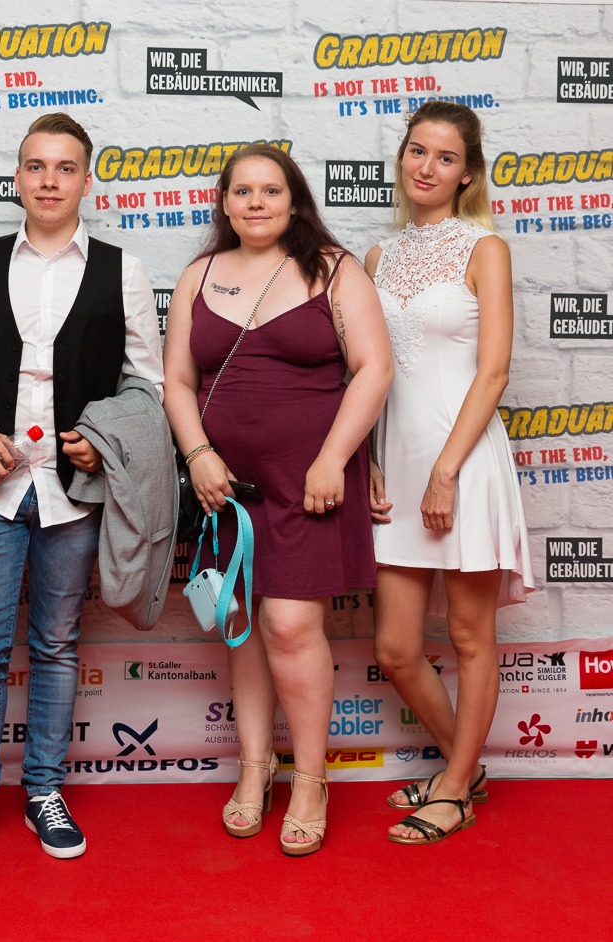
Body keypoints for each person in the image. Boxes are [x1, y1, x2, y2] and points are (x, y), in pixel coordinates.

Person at [0, 113, 163, 871]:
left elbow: (145, 387)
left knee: (56, 646)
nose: (50, 180)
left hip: (73, 492)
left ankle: (44, 790)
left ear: (87, 180)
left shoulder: (124, 269)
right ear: (18, 177)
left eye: (65, 167)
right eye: (36, 166)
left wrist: (104, 439)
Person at [163, 144, 393, 856]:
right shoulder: (199, 273)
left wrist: (333, 459)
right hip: (226, 487)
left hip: (310, 483)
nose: (256, 202)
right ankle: (254, 768)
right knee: (241, 627)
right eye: (243, 191)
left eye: (271, 190)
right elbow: (177, 382)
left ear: (294, 202)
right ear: (224, 203)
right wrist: (199, 454)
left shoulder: (334, 269)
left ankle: (311, 781)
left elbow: (374, 369)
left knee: (290, 626)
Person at [366, 101, 534, 845]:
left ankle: (455, 787)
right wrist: (370, 461)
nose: (426, 167)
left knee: (469, 636)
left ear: (467, 174)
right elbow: (369, 376)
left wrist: (445, 472)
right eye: (417, 151)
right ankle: (466, 771)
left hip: (463, 463)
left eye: (444, 157)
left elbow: (494, 370)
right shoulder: (376, 258)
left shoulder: (485, 248)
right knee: (397, 649)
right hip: (397, 466)